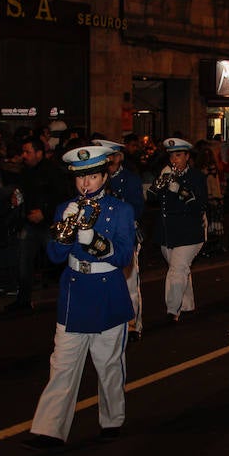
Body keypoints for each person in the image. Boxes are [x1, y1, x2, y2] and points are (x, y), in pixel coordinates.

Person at [22, 145, 136, 450]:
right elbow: (55, 255)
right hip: (75, 290)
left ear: (104, 176)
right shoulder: (65, 208)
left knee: (108, 365)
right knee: (62, 365)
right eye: (80, 179)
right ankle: (48, 430)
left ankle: (112, 420)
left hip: (108, 289)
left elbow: (125, 255)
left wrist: (96, 241)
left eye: (92, 177)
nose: (85, 185)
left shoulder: (121, 210)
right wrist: (66, 230)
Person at [5, 136, 71, 313]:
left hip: (48, 223)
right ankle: (23, 300)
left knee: (60, 259)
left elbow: (61, 197)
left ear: (39, 153)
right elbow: (23, 194)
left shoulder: (53, 172)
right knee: (24, 261)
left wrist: (45, 213)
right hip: (30, 222)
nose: (24, 155)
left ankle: (71, 295)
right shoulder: (25, 172)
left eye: (28, 151)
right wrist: (17, 201)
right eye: (23, 152)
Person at [146, 138, 208, 322]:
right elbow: (150, 198)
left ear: (187, 156)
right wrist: (160, 181)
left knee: (176, 270)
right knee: (180, 269)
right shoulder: (166, 175)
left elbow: (200, 205)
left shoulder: (196, 176)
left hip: (189, 232)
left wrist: (179, 189)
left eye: (179, 155)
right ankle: (187, 304)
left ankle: (172, 310)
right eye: (171, 155)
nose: (174, 159)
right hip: (167, 234)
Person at [95, 138, 147, 341]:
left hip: (123, 237)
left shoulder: (130, 179)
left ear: (118, 157)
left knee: (129, 283)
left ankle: (133, 324)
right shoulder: (98, 178)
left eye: (110, 157)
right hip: (101, 238)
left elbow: (137, 209)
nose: (108, 162)